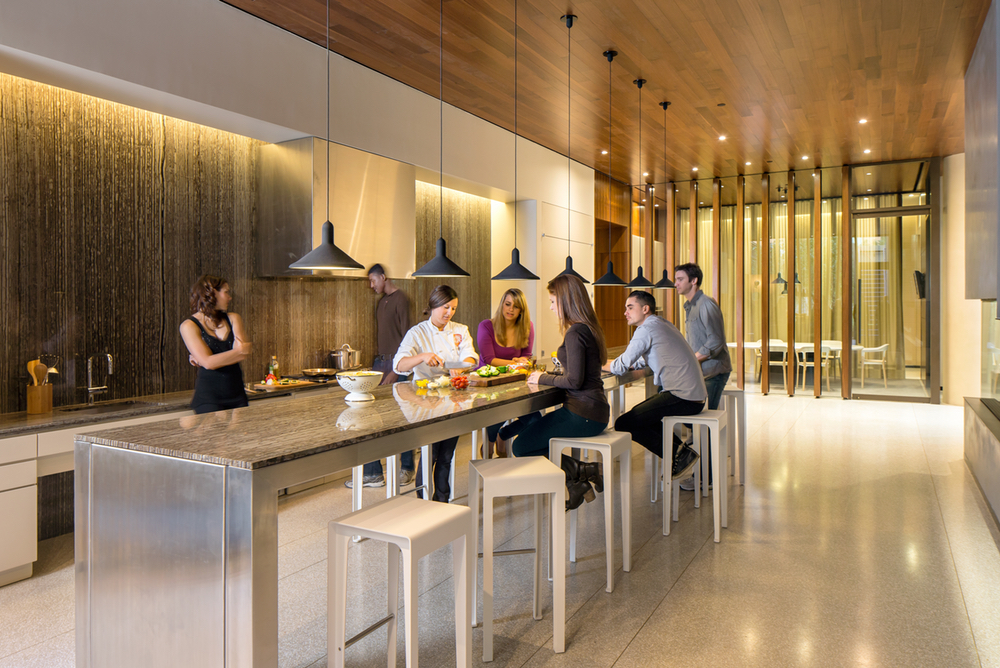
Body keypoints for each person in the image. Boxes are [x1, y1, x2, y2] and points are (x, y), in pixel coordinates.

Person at [515, 275, 609, 511]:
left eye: (553, 301)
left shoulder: (575, 332)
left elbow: (574, 381)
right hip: (593, 410)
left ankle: (584, 471)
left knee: (521, 447)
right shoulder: (589, 328)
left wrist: (541, 377)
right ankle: (577, 478)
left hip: (582, 413)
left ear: (566, 301)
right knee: (530, 442)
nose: (550, 307)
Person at [603, 290, 707, 480]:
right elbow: (652, 356)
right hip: (693, 395)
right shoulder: (661, 323)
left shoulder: (645, 329)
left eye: (630, 307)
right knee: (643, 416)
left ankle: (679, 455)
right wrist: (629, 363)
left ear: (645, 308)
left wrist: (600, 363)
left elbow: (619, 367)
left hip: (682, 396)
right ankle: (680, 452)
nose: (625, 312)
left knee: (624, 422)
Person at [393, 285, 478, 502]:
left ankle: (443, 501)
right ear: (433, 306)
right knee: (429, 453)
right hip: (424, 401)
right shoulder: (417, 332)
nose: (449, 313)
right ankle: (423, 502)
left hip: (454, 399)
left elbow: (472, 358)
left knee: (447, 455)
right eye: (445, 307)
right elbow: (399, 365)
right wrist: (422, 356)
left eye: (453, 308)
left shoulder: (460, 329)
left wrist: (462, 366)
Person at [347, 264, 415, 489]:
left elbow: (408, 338)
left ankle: (407, 469)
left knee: (403, 419)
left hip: (398, 364)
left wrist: (397, 370)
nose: (371, 285)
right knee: (369, 419)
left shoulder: (401, 299)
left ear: (383, 277)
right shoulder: (381, 302)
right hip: (380, 363)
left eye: (373, 280)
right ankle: (373, 473)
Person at [673, 263, 732, 491]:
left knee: (702, 422)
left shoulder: (706, 305)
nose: (676, 283)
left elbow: (715, 341)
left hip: (714, 371)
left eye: (679, 279)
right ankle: (692, 452)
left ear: (693, 281)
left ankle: (705, 478)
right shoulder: (690, 306)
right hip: (702, 371)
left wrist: (692, 360)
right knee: (690, 416)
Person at [477, 288, 537, 458]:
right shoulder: (486, 326)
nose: (510, 310)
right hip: (489, 385)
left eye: (516, 306)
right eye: (508, 304)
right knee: (497, 413)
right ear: (502, 304)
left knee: (534, 419)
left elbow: (526, 356)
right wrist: (514, 363)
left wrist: (521, 361)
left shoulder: (528, 326)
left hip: (515, 383)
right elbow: (489, 359)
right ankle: (490, 441)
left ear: (521, 310)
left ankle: (503, 435)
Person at [180, 275, 251, 415]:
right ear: (212, 293)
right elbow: (208, 363)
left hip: (238, 395)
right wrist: (237, 352)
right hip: (208, 398)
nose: (230, 297)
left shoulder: (233, 318)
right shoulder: (188, 326)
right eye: (226, 292)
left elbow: (244, 353)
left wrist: (208, 358)